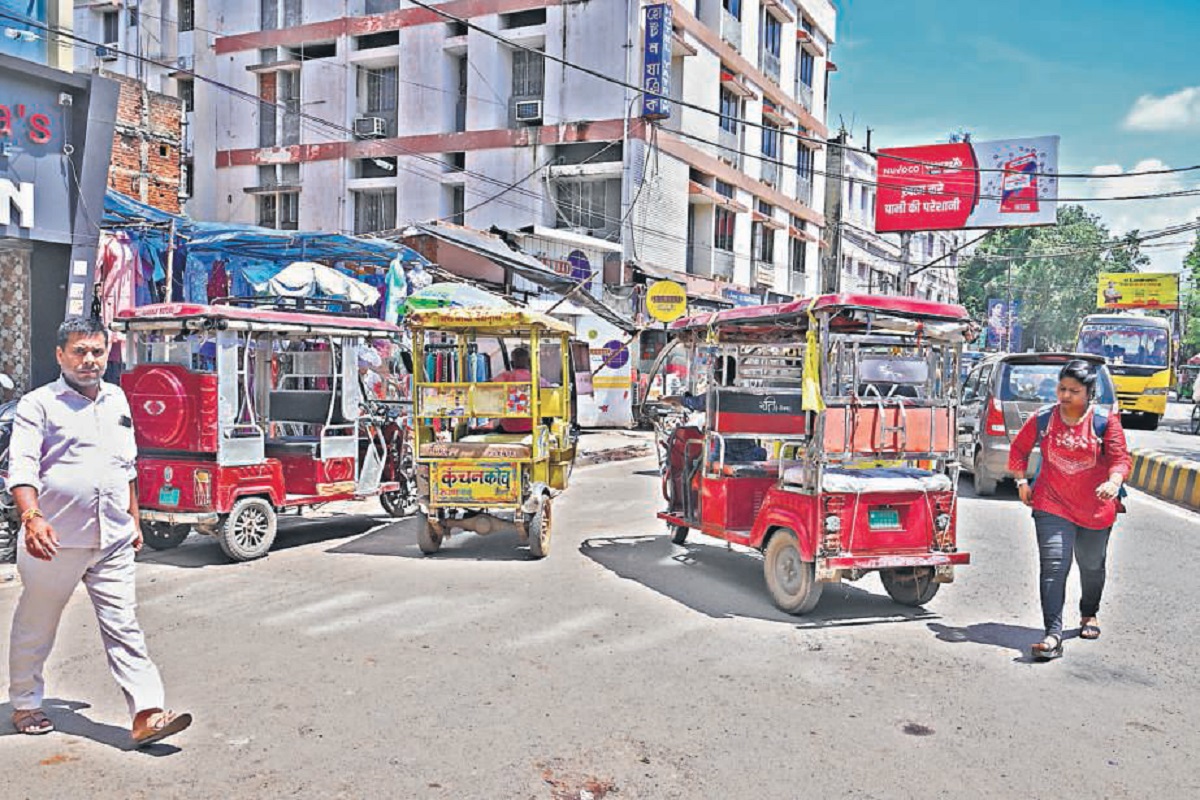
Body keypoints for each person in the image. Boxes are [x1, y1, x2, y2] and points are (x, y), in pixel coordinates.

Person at [6, 316, 192, 745]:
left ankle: (147, 711)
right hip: (54, 539)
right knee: (37, 624)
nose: (89, 360)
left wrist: (134, 516)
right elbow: (23, 467)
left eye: (97, 351)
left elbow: (125, 465)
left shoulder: (117, 399)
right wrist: (32, 517)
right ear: (60, 355)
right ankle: (26, 703)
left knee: (125, 625)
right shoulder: (38, 404)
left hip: (112, 538)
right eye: (79, 351)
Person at [1008, 359, 1131, 662]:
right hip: (1052, 502)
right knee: (1053, 566)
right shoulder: (1043, 419)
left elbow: (1120, 459)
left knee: (1091, 566)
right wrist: (1022, 481)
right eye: (1061, 389)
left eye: (1073, 391)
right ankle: (1052, 635)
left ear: (1089, 392)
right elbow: (1018, 450)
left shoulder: (1105, 422)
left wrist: (1114, 482)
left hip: (1095, 507)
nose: (1064, 396)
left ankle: (1089, 612)